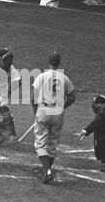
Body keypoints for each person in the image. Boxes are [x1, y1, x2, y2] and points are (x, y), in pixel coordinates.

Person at [31, 52, 76, 183]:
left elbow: (33, 99)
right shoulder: (65, 78)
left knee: (40, 143)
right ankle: (48, 169)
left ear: (48, 62)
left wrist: (36, 112)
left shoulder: (41, 77)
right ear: (59, 62)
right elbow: (72, 97)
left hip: (44, 110)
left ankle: (47, 170)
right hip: (58, 112)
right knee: (52, 142)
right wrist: (62, 106)